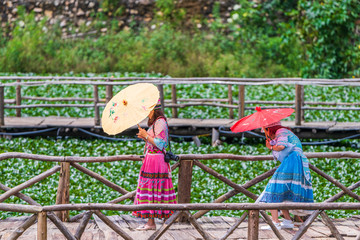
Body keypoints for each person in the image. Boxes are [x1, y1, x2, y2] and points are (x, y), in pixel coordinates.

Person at [260, 121, 314, 230]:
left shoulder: (281, 132)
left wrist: (271, 147)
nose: (266, 133)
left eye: (266, 130)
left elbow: (281, 146)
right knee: (283, 190)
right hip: (295, 161)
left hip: (292, 160)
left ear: (271, 129)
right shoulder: (285, 132)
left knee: (273, 188)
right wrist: (271, 143)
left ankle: (275, 222)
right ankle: (288, 221)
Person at [133, 99, 177, 231]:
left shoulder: (160, 122)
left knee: (154, 189)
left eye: (148, 111)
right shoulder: (155, 123)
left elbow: (161, 143)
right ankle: (151, 222)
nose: (147, 114)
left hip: (157, 161)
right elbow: (153, 141)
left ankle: (158, 221)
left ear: (153, 110)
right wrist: (145, 137)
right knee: (150, 189)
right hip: (151, 159)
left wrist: (146, 135)